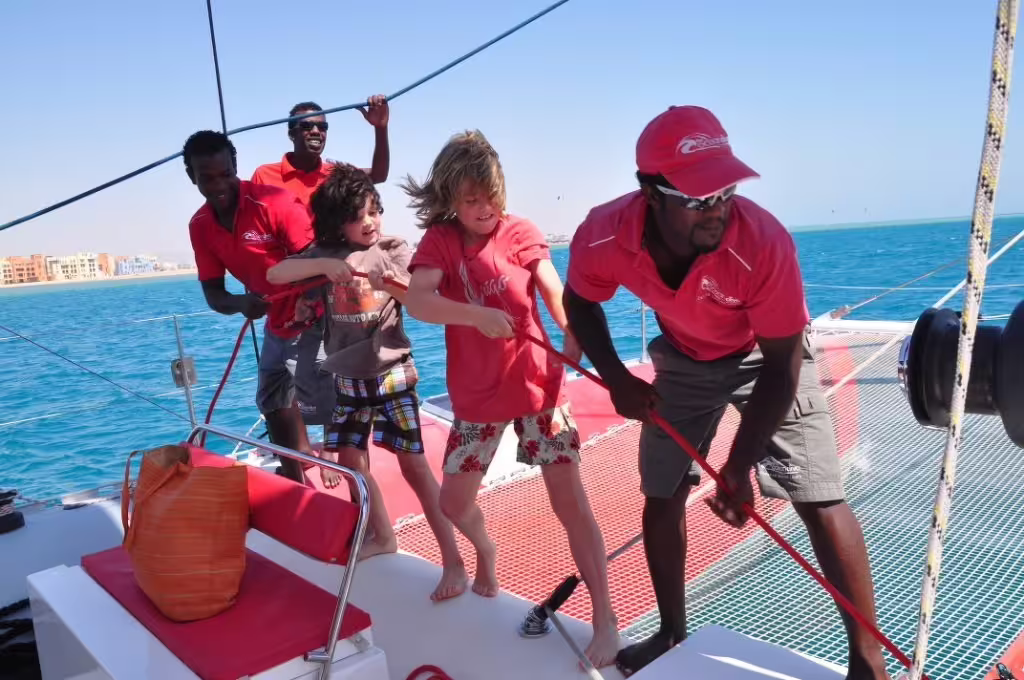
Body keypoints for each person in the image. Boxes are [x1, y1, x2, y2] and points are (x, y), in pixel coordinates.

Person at [562, 105, 889, 679]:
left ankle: (869, 664)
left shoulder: (763, 242)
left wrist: (738, 467)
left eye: (725, 191)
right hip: (685, 359)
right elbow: (580, 302)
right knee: (660, 494)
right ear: (650, 193)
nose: (716, 209)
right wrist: (616, 378)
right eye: (696, 199)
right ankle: (670, 633)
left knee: (818, 494)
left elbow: (785, 363)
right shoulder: (603, 233)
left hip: (768, 356)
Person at [401, 130, 620, 668]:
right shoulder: (441, 241)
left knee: (570, 502)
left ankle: (606, 619)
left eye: (490, 196)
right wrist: (474, 315)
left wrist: (575, 334)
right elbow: (420, 302)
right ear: (450, 198)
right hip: (477, 398)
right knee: (454, 503)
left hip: (537, 388)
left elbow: (552, 289)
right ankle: (486, 551)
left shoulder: (520, 230)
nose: (483, 209)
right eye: (470, 199)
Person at [265, 162, 468, 601]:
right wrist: (320, 266)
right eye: (360, 216)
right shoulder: (322, 255)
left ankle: (453, 560)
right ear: (339, 222)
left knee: (414, 467)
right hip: (348, 379)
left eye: (375, 211)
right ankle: (383, 534)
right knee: (353, 463)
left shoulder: (391, 248)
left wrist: (390, 281)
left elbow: (418, 299)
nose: (371, 222)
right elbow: (275, 275)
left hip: (392, 374)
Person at [183, 130, 336, 482]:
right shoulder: (200, 226)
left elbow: (321, 264)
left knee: (324, 402)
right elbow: (214, 294)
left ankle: (343, 471)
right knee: (271, 400)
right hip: (274, 324)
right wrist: (241, 304)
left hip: (311, 318)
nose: (218, 184)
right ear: (192, 177)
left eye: (225, 173)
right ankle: (295, 475)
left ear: (235, 167)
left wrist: (307, 307)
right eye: (206, 178)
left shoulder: (275, 203)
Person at [251, 97, 391, 208]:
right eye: (307, 126)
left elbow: (378, 175)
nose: (316, 132)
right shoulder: (264, 176)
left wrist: (380, 127)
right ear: (291, 134)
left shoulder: (336, 175)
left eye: (322, 127)